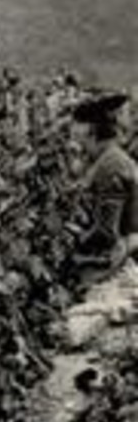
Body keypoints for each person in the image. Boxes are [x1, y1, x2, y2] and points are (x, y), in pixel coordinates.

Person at [65, 90, 138, 348]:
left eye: (78, 133)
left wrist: (72, 239)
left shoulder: (110, 167)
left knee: (73, 327)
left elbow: (107, 231)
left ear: (91, 132)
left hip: (109, 262)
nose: (76, 141)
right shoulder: (110, 160)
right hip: (115, 254)